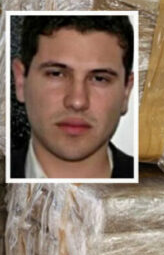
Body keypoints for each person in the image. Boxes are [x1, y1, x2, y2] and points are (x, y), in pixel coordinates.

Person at [10, 15, 135, 179]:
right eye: (56, 74)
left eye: (99, 78)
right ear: (20, 81)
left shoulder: (162, 187)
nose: (77, 102)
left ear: (126, 91)